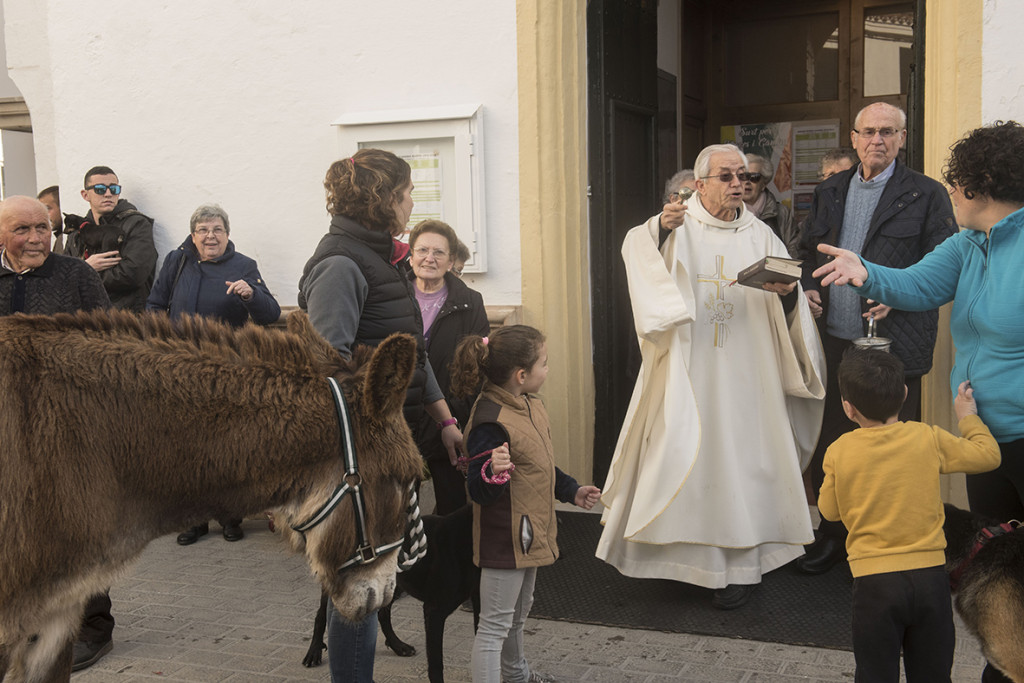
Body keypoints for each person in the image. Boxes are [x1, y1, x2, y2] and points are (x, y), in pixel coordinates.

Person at [812, 120, 1024, 683]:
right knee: (1002, 574)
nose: (948, 191)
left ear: (979, 183)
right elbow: (917, 285)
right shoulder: (968, 242)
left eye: (955, 182)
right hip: (985, 434)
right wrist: (865, 274)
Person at [596, 143, 826, 610]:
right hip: (689, 364)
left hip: (748, 372)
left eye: (744, 176)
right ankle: (675, 561)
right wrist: (660, 228)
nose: (738, 184)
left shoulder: (761, 235)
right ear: (699, 184)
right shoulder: (675, 226)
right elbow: (635, 251)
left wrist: (786, 295)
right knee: (679, 453)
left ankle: (738, 568)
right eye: (726, 176)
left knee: (741, 464)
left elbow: (790, 295)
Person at [297, 148, 465, 683]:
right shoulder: (342, 265)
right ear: (384, 198)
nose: (413, 202)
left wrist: (444, 421)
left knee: (377, 580)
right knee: (359, 587)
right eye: (408, 192)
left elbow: (409, 352)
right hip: (361, 462)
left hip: (394, 448)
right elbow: (327, 377)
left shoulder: (381, 258)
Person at [796, 102, 957, 576]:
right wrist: (808, 286)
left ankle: (889, 545)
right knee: (832, 445)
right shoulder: (830, 190)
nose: (877, 141)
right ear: (854, 137)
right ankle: (832, 537)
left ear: (902, 139)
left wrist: (898, 295)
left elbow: (944, 263)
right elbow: (808, 251)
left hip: (891, 345)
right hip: (835, 344)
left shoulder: (926, 194)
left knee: (892, 450)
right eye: (868, 132)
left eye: (888, 132)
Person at [818, 349, 999, 682]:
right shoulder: (925, 437)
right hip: (930, 579)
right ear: (904, 393)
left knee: (875, 674)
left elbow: (830, 512)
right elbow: (988, 456)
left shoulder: (839, 450)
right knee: (932, 674)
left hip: (873, 585)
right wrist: (966, 416)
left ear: (848, 407)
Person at [449, 325, 600, 683]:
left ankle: (517, 676)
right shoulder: (491, 421)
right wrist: (490, 472)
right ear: (521, 375)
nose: (547, 370)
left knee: (517, 616)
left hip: (529, 533)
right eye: (544, 364)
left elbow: (538, 465)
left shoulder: (529, 405)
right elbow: (478, 490)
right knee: (494, 626)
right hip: (505, 538)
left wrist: (571, 490)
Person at [0, 196, 114, 671]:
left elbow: (110, 342)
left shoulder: (77, 276)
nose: (35, 238)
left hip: (69, 427)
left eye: (43, 228)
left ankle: (93, 627)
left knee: (79, 526)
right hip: (7, 430)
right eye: (23, 229)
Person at [147, 203, 281, 544]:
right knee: (187, 448)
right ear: (193, 236)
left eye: (217, 229)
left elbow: (270, 314)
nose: (210, 236)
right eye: (203, 230)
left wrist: (251, 295)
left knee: (225, 446)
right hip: (181, 370)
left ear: (227, 234)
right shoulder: (177, 262)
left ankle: (230, 515)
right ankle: (194, 519)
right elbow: (155, 304)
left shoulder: (244, 266)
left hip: (225, 372)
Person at [408, 219, 490, 514]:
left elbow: (476, 366)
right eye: (423, 250)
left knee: (452, 507)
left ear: (452, 260)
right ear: (411, 255)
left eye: (439, 252)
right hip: (401, 419)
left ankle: (448, 561)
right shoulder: (393, 296)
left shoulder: (470, 302)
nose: (429, 258)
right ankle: (408, 561)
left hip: (449, 420)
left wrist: (456, 415)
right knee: (400, 510)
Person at [64, 166, 157, 311]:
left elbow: (133, 274)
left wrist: (84, 272)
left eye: (114, 189)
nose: (108, 194)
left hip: (126, 320)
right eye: (100, 189)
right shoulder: (76, 232)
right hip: (84, 320)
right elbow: (63, 276)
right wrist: (86, 267)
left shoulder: (136, 224)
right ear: (85, 195)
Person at [742, 154, 798, 257]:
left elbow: (794, 251)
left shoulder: (782, 213)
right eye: (743, 177)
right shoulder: (729, 212)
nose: (747, 182)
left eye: (754, 177)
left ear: (763, 184)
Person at [37, 185, 64, 254]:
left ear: (62, 207)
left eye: (47, 208)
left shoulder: (73, 238)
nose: (43, 215)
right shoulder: (60, 238)